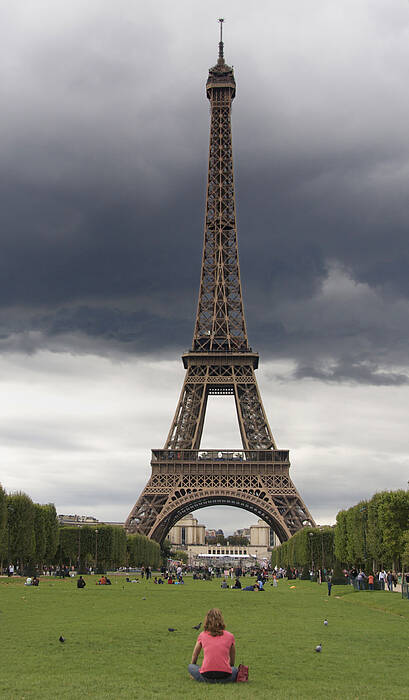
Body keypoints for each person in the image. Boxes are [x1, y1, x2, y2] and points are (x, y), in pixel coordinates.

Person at [188, 608, 238, 683]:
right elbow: (232, 659)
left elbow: (195, 656)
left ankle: (197, 675)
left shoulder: (202, 635)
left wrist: (193, 672)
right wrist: (229, 668)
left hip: (206, 676)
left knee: (191, 667)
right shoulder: (230, 636)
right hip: (225, 677)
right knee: (235, 669)